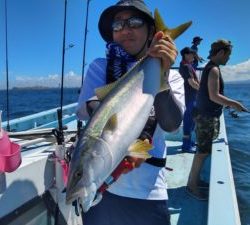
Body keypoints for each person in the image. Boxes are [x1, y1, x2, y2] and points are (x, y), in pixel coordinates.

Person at [76, 0, 185, 224]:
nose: (125, 30)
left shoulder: (172, 75)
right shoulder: (99, 67)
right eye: (117, 25)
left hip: (148, 192)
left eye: (134, 22)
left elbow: (171, 124)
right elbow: (89, 111)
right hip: (101, 191)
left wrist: (161, 74)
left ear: (152, 31)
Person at [186, 39, 248, 200]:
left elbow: (209, 94)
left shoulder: (211, 68)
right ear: (221, 53)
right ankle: (192, 186)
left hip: (204, 114)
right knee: (202, 152)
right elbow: (214, 96)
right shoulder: (213, 69)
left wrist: (227, 104)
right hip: (206, 116)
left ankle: (194, 180)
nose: (229, 59)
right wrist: (234, 103)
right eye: (228, 55)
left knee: (202, 151)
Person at [179, 47, 200, 152]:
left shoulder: (186, 65)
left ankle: (189, 142)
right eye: (192, 54)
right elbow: (191, 82)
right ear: (186, 55)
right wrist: (204, 90)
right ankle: (186, 146)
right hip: (189, 98)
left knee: (192, 121)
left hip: (192, 97)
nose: (194, 56)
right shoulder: (186, 66)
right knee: (188, 121)